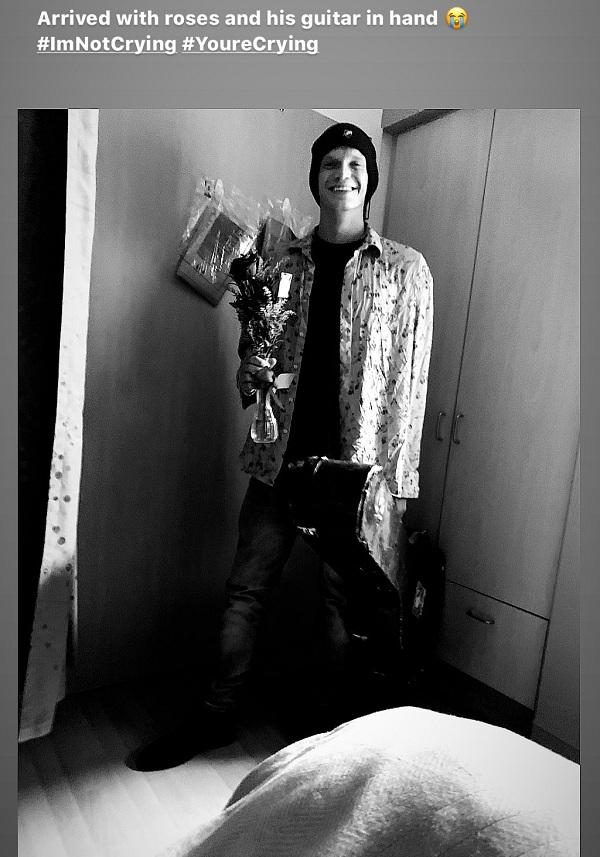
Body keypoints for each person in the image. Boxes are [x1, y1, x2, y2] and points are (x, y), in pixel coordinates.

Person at [127, 123, 434, 772]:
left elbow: (411, 381)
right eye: (330, 163)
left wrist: (399, 485)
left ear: (370, 180)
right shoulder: (278, 262)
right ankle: (215, 712)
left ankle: (320, 741)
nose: (343, 173)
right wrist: (251, 370)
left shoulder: (405, 269)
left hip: (352, 474)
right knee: (245, 591)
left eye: (356, 163)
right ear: (315, 178)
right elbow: (255, 358)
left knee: (339, 606)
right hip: (278, 461)